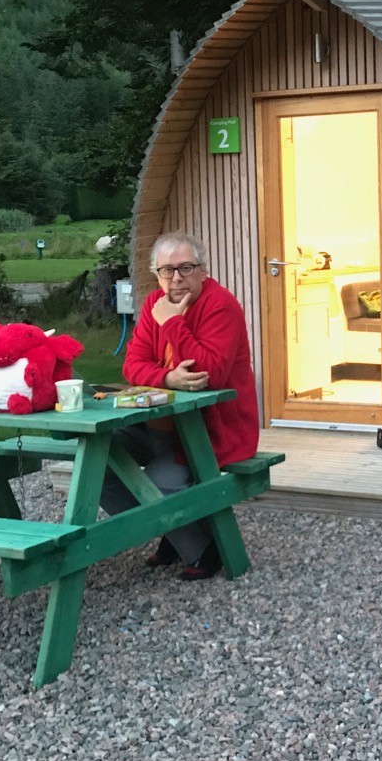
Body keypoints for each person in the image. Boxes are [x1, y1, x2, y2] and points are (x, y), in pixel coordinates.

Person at [100, 232, 260, 580]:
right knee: (100, 466)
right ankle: (176, 529)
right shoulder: (154, 304)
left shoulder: (221, 306)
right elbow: (132, 365)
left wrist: (172, 322)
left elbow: (210, 374)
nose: (176, 278)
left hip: (210, 429)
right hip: (158, 424)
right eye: (166, 270)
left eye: (185, 267)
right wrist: (168, 379)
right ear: (156, 274)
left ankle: (205, 550)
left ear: (203, 270)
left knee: (161, 482)